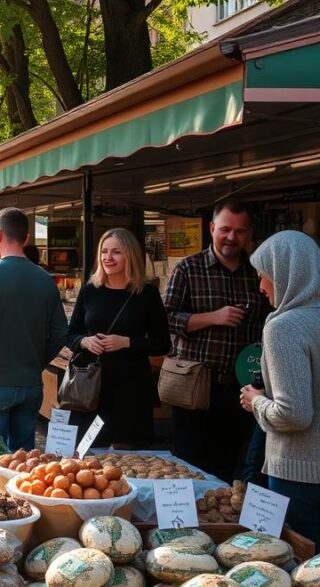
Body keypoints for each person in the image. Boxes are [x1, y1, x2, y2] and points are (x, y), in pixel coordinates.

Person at [164, 201, 268, 481]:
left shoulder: (256, 272)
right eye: (225, 229)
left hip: (242, 389)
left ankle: (222, 524)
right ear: (212, 228)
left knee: (231, 466)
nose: (232, 237)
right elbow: (166, 319)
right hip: (195, 386)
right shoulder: (188, 268)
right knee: (188, 466)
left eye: (240, 231)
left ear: (249, 234)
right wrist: (213, 317)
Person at [238, 230, 320, 544]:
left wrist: (256, 401)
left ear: (284, 274)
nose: (260, 287)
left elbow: (294, 414)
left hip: (297, 474)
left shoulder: (282, 326)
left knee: (301, 567)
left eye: (263, 275)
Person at [0, 208, 68, 450]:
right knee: (24, 456)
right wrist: (38, 362)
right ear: (26, 239)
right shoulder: (45, 279)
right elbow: (61, 332)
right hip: (30, 382)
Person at [66, 229, 171, 448]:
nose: (108, 257)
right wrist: (85, 342)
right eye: (104, 252)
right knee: (89, 461)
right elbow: (70, 335)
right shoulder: (89, 292)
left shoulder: (146, 295)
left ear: (130, 255)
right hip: (91, 392)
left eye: (116, 252)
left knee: (135, 461)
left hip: (132, 392)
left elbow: (163, 343)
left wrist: (127, 342)